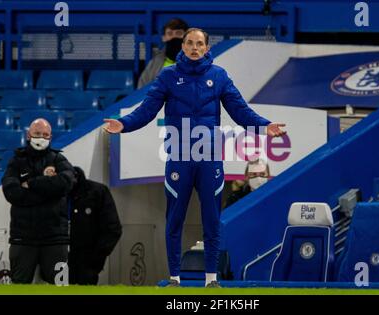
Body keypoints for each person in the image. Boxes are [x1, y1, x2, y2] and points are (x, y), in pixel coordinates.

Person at [104, 28, 286, 287]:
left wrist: (264, 127)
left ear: (207, 47)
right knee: (174, 219)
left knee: (212, 220)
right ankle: (175, 277)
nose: (194, 47)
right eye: (189, 43)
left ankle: (211, 279)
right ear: (182, 47)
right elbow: (146, 110)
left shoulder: (219, 76)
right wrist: (124, 124)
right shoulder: (168, 76)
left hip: (210, 159)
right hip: (179, 158)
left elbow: (240, 111)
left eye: (199, 44)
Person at [1, 119, 75, 284]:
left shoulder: (58, 159)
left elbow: (67, 182)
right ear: (29, 135)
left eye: (45, 134)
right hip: (23, 238)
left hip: (56, 238)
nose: (41, 137)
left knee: (59, 288)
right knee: (19, 287)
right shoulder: (16, 161)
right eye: (37, 134)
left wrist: (32, 184)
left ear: (50, 136)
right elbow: (11, 192)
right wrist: (50, 192)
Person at [68, 167, 122, 285]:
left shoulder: (97, 192)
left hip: (87, 261)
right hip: (59, 260)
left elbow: (113, 228)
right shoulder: (54, 193)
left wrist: (97, 257)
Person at [137, 18, 189, 89]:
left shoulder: (197, 61)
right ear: (163, 38)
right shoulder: (155, 62)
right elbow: (142, 88)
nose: (174, 37)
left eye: (178, 33)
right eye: (170, 34)